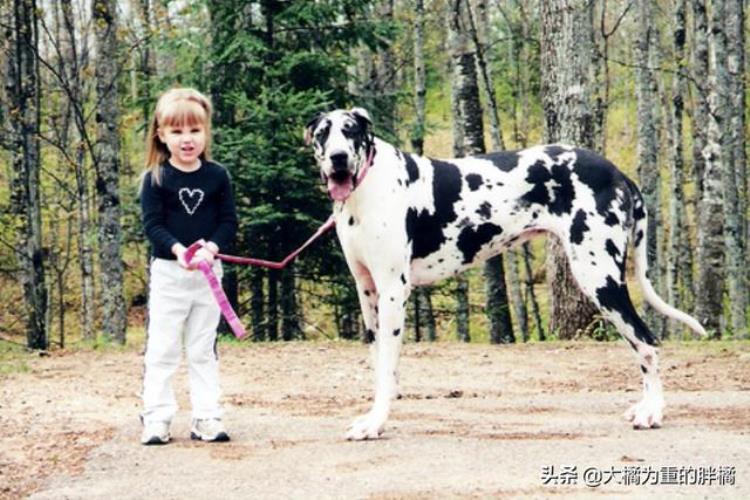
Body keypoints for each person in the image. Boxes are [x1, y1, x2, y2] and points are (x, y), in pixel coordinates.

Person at [139, 87, 238, 445]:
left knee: (202, 349)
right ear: (161, 135)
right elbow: (153, 226)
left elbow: (228, 222)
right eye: (177, 131)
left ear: (206, 132)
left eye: (194, 131)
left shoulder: (217, 176)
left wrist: (211, 248)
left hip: (208, 279)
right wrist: (180, 250)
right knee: (163, 349)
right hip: (169, 276)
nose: (187, 139)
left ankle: (207, 416)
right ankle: (157, 416)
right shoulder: (156, 178)